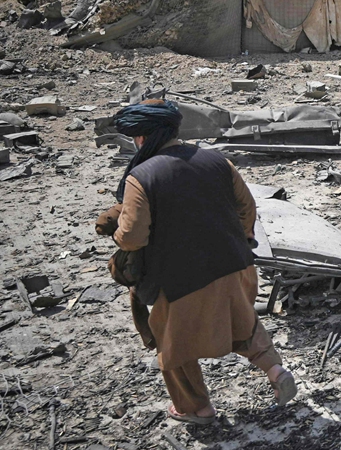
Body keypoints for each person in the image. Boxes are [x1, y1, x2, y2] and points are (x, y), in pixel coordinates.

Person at [102, 99, 297, 425]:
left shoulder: (141, 177)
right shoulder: (217, 160)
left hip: (182, 281)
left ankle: (196, 408)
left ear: (142, 138)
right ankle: (276, 370)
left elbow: (132, 237)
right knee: (243, 323)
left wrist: (117, 232)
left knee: (172, 344)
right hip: (237, 266)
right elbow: (247, 208)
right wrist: (238, 241)